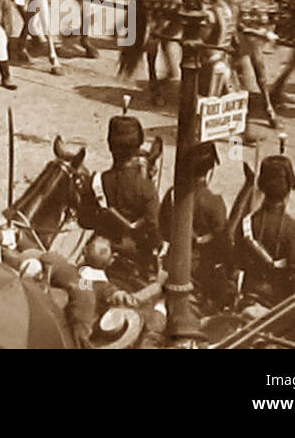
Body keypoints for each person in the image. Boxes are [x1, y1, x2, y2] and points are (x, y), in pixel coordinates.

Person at [79, 114, 161, 285]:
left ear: (110, 146)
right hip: (138, 262)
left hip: (99, 257)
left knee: (80, 284)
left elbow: (85, 221)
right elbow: (155, 231)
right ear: (138, 147)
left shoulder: (96, 181)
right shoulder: (146, 188)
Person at [158, 142, 232, 310]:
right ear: (210, 169)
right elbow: (224, 246)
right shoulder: (214, 203)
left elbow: (162, 231)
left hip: (172, 263)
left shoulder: (172, 194)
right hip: (202, 271)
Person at [236, 155, 295, 308]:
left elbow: (239, 261)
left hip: (249, 295)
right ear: (289, 189)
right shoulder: (293, 230)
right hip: (277, 305)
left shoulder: (247, 222)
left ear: (262, 187)